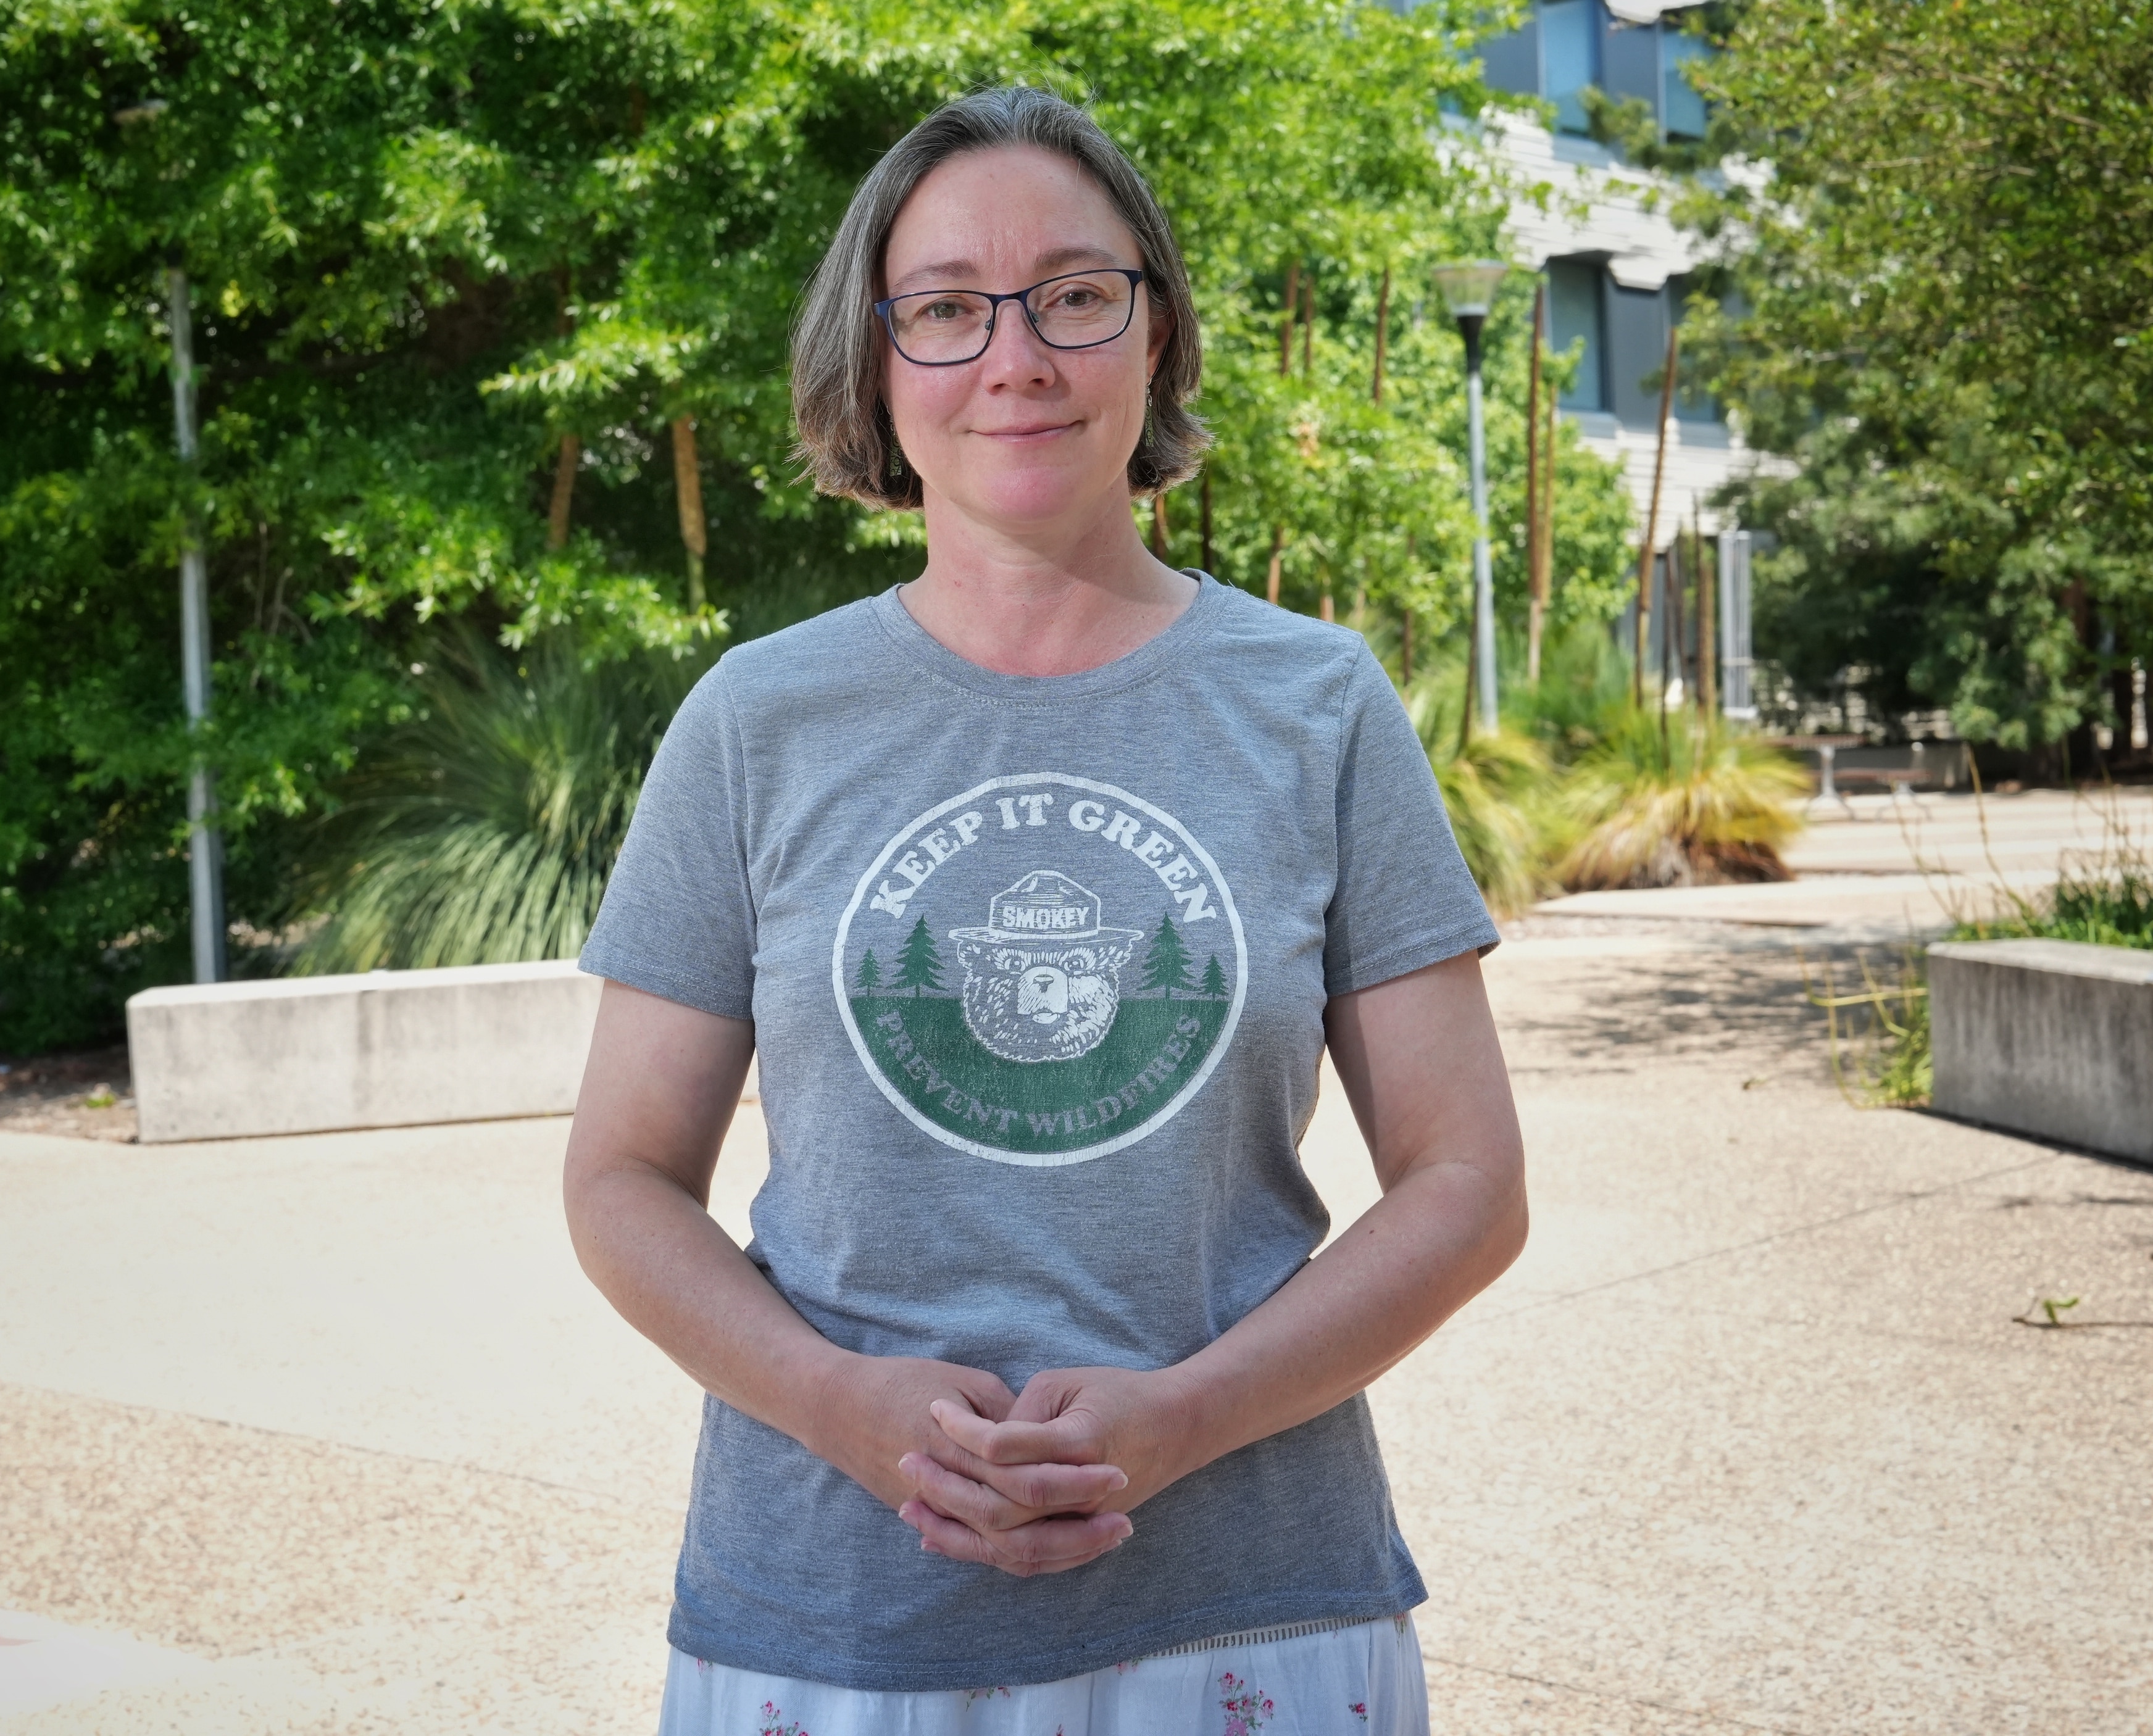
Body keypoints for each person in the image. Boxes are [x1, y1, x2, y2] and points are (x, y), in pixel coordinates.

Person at [564, 84, 1527, 1734]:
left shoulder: (1316, 704)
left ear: (1156, 335)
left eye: (1075, 295)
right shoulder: (756, 719)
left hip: (1247, 1609)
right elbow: (618, 1180)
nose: (1015, 359)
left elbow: (1466, 1183)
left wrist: (1190, 1415)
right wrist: (834, 1400)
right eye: (944, 309)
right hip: (829, 1619)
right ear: (873, 367)